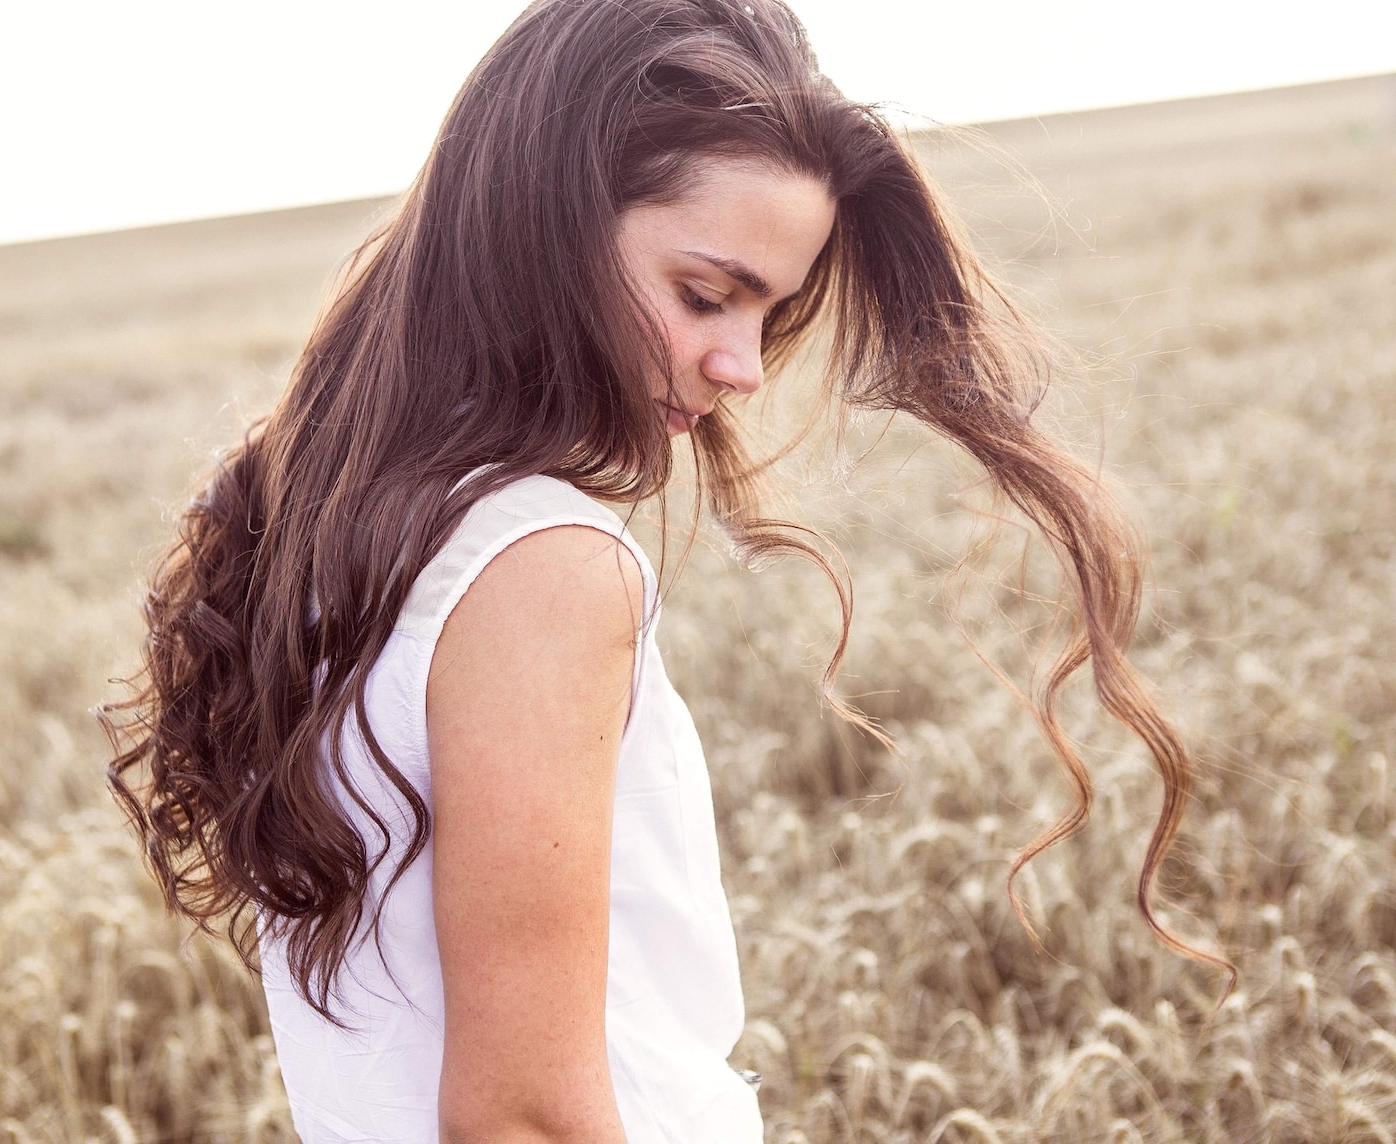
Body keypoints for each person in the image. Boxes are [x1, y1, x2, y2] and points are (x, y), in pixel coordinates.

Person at [101, 0, 1227, 1140]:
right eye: (704, 293)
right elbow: (523, 1118)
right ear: (537, 225)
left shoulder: (322, 520)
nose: (738, 364)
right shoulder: (537, 563)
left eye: (768, 313)